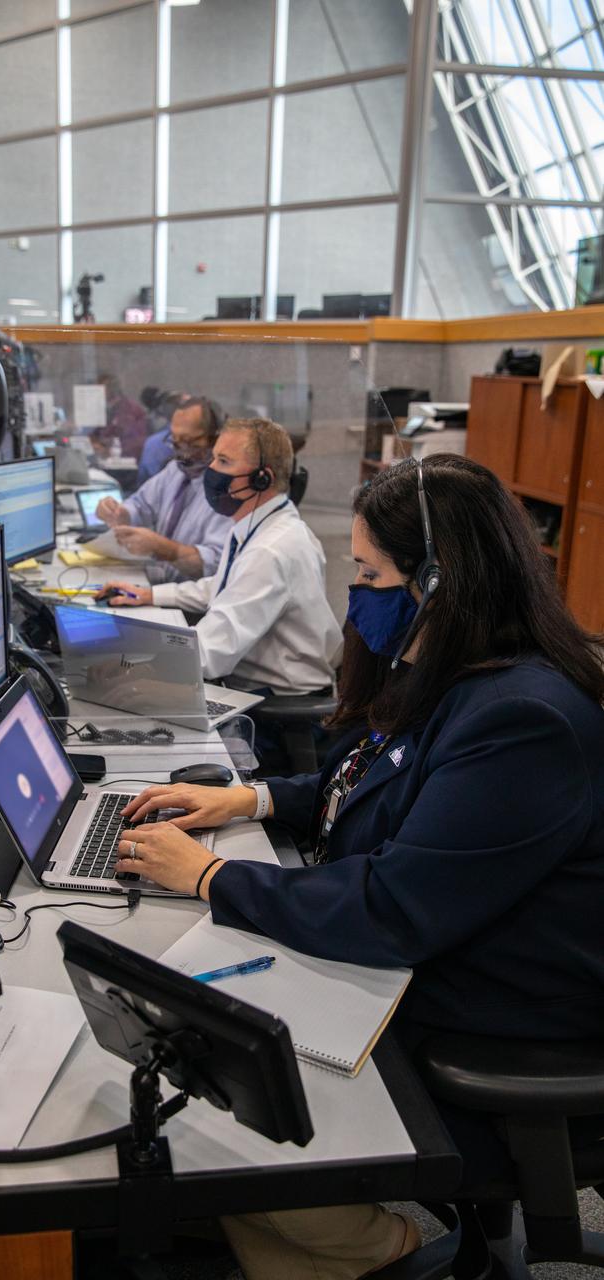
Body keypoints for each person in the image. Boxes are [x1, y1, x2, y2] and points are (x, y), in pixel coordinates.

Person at [111, 454, 604, 1280]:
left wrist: (208, 877)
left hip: (496, 1014)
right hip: (439, 950)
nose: (356, 593)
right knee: (188, 1023)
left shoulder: (524, 718)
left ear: (439, 583)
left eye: (370, 574)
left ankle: (377, 1252)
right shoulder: (461, 677)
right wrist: (254, 803)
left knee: (211, 1078)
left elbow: (392, 910)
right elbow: (381, 779)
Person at [97, 417, 342, 694]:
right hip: (254, 682)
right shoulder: (260, 525)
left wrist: (125, 660)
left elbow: (210, 652)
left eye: (224, 462)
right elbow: (224, 586)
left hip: (277, 703)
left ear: (262, 479)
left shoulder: (270, 550)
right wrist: (149, 596)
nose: (211, 470)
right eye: (214, 458)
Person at [94, 396, 232, 584]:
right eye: (176, 442)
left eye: (191, 443)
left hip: (192, 602)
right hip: (162, 585)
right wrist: (118, 512)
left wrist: (165, 550)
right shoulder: (175, 471)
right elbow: (140, 505)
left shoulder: (228, 490)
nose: (183, 452)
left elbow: (215, 565)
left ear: (216, 438)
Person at [89, 372, 148, 462]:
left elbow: (131, 442)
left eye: (100, 389)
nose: (97, 394)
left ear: (111, 390)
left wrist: (106, 449)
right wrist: (94, 442)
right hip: (110, 461)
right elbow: (98, 432)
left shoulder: (129, 410)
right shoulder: (107, 409)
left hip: (127, 464)